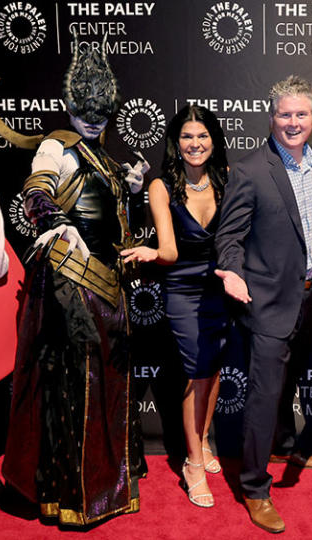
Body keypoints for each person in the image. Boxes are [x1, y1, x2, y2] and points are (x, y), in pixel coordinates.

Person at [0, 40, 148, 527]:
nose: (94, 119)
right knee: (74, 389)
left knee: (104, 386)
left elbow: (109, 210)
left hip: (107, 285)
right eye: (85, 111)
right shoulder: (57, 144)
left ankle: (106, 480)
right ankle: (75, 494)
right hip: (72, 283)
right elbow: (37, 188)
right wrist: (53, 219)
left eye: (103, 112)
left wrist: (129, 186)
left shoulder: (100, 154)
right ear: (69, 106)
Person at [214, 75, 312, 534]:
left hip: (308, 298)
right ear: (272, 117)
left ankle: (284, 443)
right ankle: (255, 488)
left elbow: (309, 222)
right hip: (266, 302)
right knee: (263, 396)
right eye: (285, 114)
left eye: (302, 114)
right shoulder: (251, 170)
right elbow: (229, 235)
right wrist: (233, 272)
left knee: (289, 384)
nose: (293, 122)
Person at [120, 105, 229, 509]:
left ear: (213, 140)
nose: (195, 144)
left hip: (220, 289)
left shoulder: (228, 180)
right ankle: (194, 464)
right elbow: (169, 250)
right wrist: (151, 251)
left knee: (214, 370)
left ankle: (202, 438)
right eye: (187, 136)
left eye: (202, 136)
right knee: (197, 373)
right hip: (182, 290)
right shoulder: (162, 186)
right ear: (175, 142)